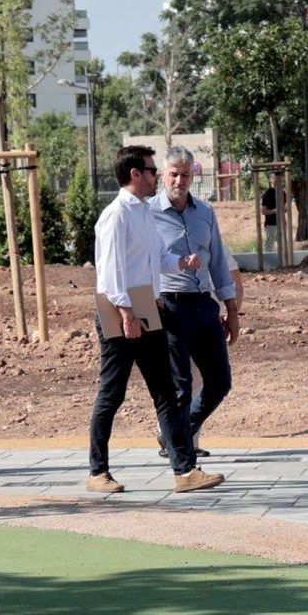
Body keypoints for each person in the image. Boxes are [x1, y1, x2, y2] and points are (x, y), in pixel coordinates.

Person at [85, 144, 222, 495]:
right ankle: (97, 471)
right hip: (119, 309)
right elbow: (110, 272)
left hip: (147, 304)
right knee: (111, 394)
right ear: (135, 174)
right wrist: (126, 313)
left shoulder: (143, 212)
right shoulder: (116, 215)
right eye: (150, 170)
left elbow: (156, 257)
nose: (155, 176)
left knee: (164, 391)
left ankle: (184, 470)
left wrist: (179, 263)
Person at [153, 147, 242, 456]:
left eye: (186, 174)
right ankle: (183, 459)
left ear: (194, 176)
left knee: (219, 381)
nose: (180, 180)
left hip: (204, 305)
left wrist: (231, 309)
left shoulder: (205, 212)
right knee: (180, 385)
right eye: (174, 174)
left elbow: (217, 261)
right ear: (163, 175)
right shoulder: (147, 214)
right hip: (170, 306)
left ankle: (176, 433)